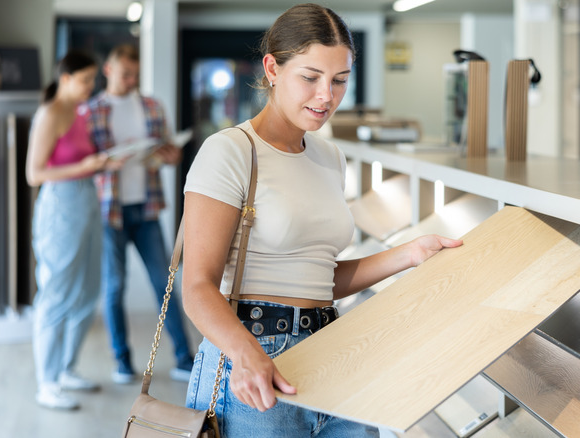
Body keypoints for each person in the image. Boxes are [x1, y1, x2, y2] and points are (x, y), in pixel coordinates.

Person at [182, 4, 463, 436]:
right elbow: (198, 286)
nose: (325, 96)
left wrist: (409, 254)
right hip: (258, 362)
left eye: (339, 81)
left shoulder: (330, 156)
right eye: (310, 78)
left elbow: (319, 280)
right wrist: (243, 352)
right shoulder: (230, 151)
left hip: (335, 356)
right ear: (272, 68)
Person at [87, 44, 194, 384]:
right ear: (109, 70)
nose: (131, 80)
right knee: (115, 285)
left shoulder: (151, 106)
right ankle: (121, 360)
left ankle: (183, 358)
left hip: (146, 206)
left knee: (165, 284)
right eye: (125, 74)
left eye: (135, 74)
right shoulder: (91, 112)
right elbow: (84, 161)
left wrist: (169, 154)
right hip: (110, 209)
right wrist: (105, 161)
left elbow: (169, 155)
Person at [26, 50, 112, 409]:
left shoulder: (79, 112)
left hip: (87, 200)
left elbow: (82, 160)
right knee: (57, 294)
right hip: (60, 205)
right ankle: (47, 382)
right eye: (85, 80)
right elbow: (35, 175)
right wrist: (85, 166)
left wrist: (103, 163)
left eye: (94, 80)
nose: (91, 87)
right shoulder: (49, 113)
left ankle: (65, 370)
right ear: (65, 79)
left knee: (89, 290)